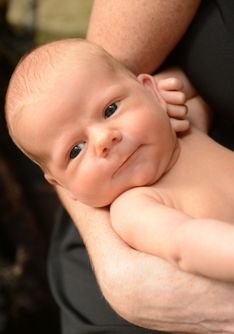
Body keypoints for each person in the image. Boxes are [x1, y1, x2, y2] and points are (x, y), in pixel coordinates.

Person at [5, 37, 234, 284]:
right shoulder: (134, 208)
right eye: (75, 150)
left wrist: (171, 93)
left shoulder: (187, 127)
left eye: (110, 110)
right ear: (62, 186)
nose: (103, 139)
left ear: (151, 91)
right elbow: (184, 245)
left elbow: (209, 75)